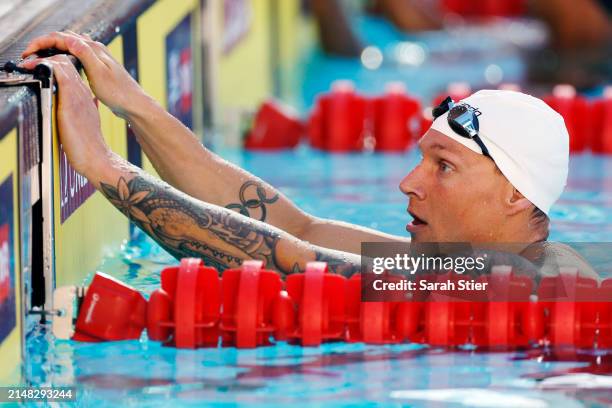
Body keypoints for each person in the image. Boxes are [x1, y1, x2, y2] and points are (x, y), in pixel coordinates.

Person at [19, 31, 598, 279]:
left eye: (443, 166)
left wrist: (104, 166)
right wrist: (136, 105)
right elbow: (296, 226)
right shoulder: (466, 261)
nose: (407, 183)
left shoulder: (511, 280)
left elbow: (292, 262)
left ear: (516, 194)